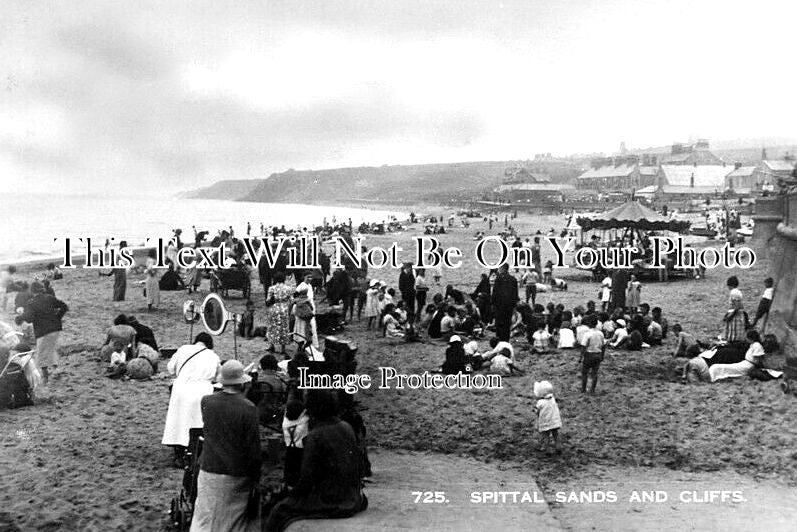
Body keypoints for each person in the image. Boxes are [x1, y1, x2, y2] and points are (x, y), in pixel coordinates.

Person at [264, 389, 367, 532]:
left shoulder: (315, 435)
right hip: (352, 496)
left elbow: (307, 478)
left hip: (330, 499)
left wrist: (290, 493)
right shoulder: (346, 426)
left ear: (312, 408)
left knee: (277, 509)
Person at [190, 360, 261, 532]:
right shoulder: (249, 408)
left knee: (205, 516)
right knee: (233, 521)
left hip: (209, 467)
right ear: (243, 383)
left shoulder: (207, 402)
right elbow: (253, 447)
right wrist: (256, 475)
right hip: (236, 473)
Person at [162, 332, 220, 468]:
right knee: (196, 421)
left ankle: (179, 453)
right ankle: (193, 452)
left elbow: (170, 368)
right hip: (202, 390)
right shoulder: (213, 356)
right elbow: (217, 375)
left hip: (181, 388)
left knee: (179, 420)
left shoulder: (183, 349)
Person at [16, 281, 68, 385]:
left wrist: (20, 318)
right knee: (50, 349)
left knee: (41, 355)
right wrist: (57, 317)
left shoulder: (31, 303)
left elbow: (30, 319)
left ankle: (45, 378)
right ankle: (56, 369)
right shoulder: (49, 297)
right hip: (55, 328)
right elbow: (64, 307)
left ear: (32, 291)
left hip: (43, 331)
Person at [709, 330, 774, 382]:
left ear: (750, 338)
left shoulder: (757, 345)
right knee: (722, 367)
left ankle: (714, 376)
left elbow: (759, 359)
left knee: (726, 368)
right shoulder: (753, 345)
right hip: (746, 363)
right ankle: (712, 375)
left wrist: (761, 367)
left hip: (749, 365)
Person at [282, 399, 310, 488]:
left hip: (289, 450)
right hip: (301, 451)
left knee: (289, 479)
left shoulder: (285, 422)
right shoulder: (305, 420)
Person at [265, 272, 293, 354]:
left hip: (274, 308)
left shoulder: (271, 288)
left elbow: (268, 301)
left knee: (272, 327)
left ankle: (271, 346)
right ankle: (283, 349)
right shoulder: (288, 288)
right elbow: (291, 300)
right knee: (283, 328)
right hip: (284, 309)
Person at [533, 380, 562, 454]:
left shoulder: (540, 402)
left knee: (546, 436)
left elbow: (536, 411)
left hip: (545, 422)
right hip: (555, 421)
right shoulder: (553, 399)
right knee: (556, 434)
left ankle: (547, 450)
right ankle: (558, 447)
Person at [492, 264, 519, 342]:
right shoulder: (513, 279)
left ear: (503, 269)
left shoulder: (499, 278)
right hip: (509, 306)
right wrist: (514, 305)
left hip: (499, 306)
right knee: (507, 324)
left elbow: (495, 292)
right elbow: (515, 294)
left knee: (499, 323)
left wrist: (493, 304)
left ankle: (499, 340)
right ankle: (506, 340)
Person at [580, 316, 605, 393]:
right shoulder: (600, 333)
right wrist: (602, 355)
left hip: (589, 354)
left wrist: (581, 357)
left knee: (585, 372)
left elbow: (584, 346)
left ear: (588, 323)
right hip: (598, 353)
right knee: (595, 373)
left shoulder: (587, 334)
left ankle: (583, 389)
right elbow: (603, 345)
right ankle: (592, 389)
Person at [723, 276, 747, 345]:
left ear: (731, 285)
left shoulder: (734, 293)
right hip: (736, 313)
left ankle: (734, 343)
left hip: (735, 315)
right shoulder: (737, 292)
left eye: (728, 285)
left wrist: (730, 316)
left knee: (734, 332)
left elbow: (737, 306)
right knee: (734, 331)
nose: (728, 287)